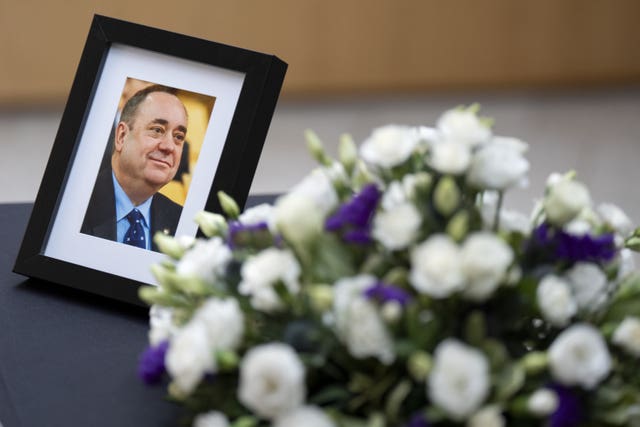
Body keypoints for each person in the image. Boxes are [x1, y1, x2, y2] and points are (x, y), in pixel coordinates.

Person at [81, 85, 188, 251]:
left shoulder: (183, 223)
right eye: (157, 130)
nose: (169, 146)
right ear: (122, 136)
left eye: (178, 137)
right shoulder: (76, 204)